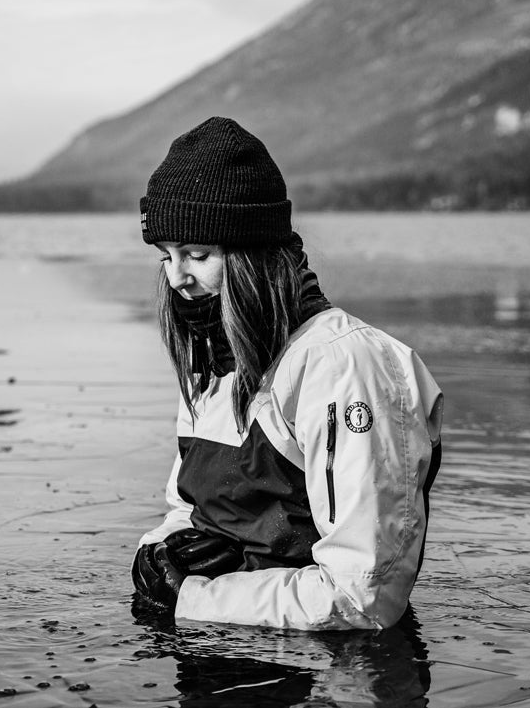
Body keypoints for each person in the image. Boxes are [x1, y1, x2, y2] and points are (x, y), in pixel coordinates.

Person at [131, 116, 443, 630]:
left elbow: (364, 598)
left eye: (197, 254)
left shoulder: (345, 367)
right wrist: (161, 551)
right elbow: (188, 505)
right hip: (223, 644)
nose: (177, 277)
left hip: (324, 671)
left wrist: (193, 600)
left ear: (251, 255)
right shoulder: (212, 360)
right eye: (166, 256)